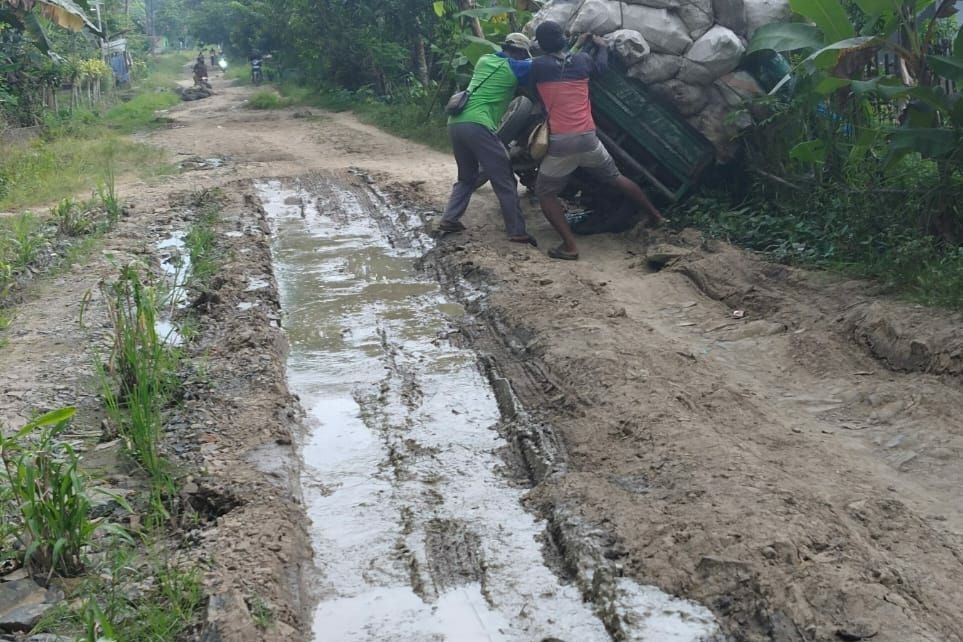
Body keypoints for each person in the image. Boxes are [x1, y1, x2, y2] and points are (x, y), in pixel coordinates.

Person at [531, 21, 664, 260]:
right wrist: (601, 46)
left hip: (563, 143)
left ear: (540, 45)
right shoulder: (582, 61)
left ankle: (570, 246)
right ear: (564, 39)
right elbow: (599, 67)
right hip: (589, 138)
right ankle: (655, 216)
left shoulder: (538, 67)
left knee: (545, 193)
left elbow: (550, 66)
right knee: (616, 178)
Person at [439, 32, 536, 245]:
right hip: (479, 125)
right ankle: (517, 231)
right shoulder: (517, 66)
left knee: (466, 178)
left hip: (456, 122)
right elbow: (541, 65)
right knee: (505, 180)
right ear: (520, 52)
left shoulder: (484, 60)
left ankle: (449, 219)